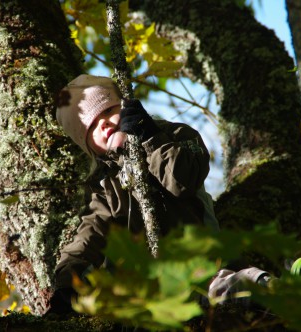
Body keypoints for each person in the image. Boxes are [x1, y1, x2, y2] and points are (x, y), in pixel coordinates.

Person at [49, 74, 269, 314]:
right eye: (91, 126)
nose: (102, 123)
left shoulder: (175, 136)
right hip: (149, 290)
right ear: (89, 147)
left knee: (232, 288)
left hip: (199, 264)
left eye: (107, 110)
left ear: (125, 106)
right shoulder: (105, 187)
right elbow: (89, 236)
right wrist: (68, 283)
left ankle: (279, 291)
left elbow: (182, 180)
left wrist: (150, 138)